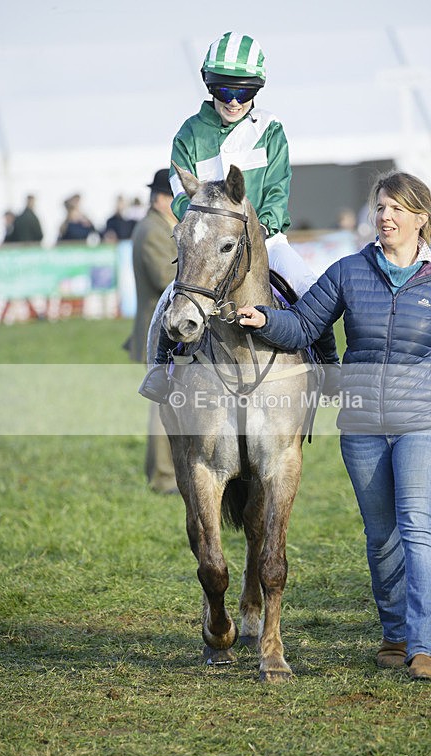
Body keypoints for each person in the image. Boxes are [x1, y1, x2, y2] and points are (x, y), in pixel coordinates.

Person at [237, 171, 431, 681]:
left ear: (421, 219)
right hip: (363, 426)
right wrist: (265, 319)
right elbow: (305, 325)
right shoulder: (349, 271)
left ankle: (425, 645)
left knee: (416, 528)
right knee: (382, 537)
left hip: (426, 423)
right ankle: (394, 635)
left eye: (396, 209)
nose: (385, 217)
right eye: (381, 207)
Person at [141, 31, 338, 402]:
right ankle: (159, 370)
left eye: (243, 92)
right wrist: (202, 226)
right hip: (209, 244)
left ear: (256, 90)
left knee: (309, 288)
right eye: (223, 90)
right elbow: (180, 193)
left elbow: (278, 187)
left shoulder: (270, 128)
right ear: (209, 86)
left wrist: (262, 227)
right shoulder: (189, 133)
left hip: (266, 240)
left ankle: (330, 369)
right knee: (171, 297)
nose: (233, 100)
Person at [130, 168, 179, 494]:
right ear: (163, 198)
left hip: (165, 327)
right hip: (159, 330)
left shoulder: (159, 226)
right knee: (162, 403)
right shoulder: (151, 230)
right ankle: (162, 476)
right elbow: (165, 278)